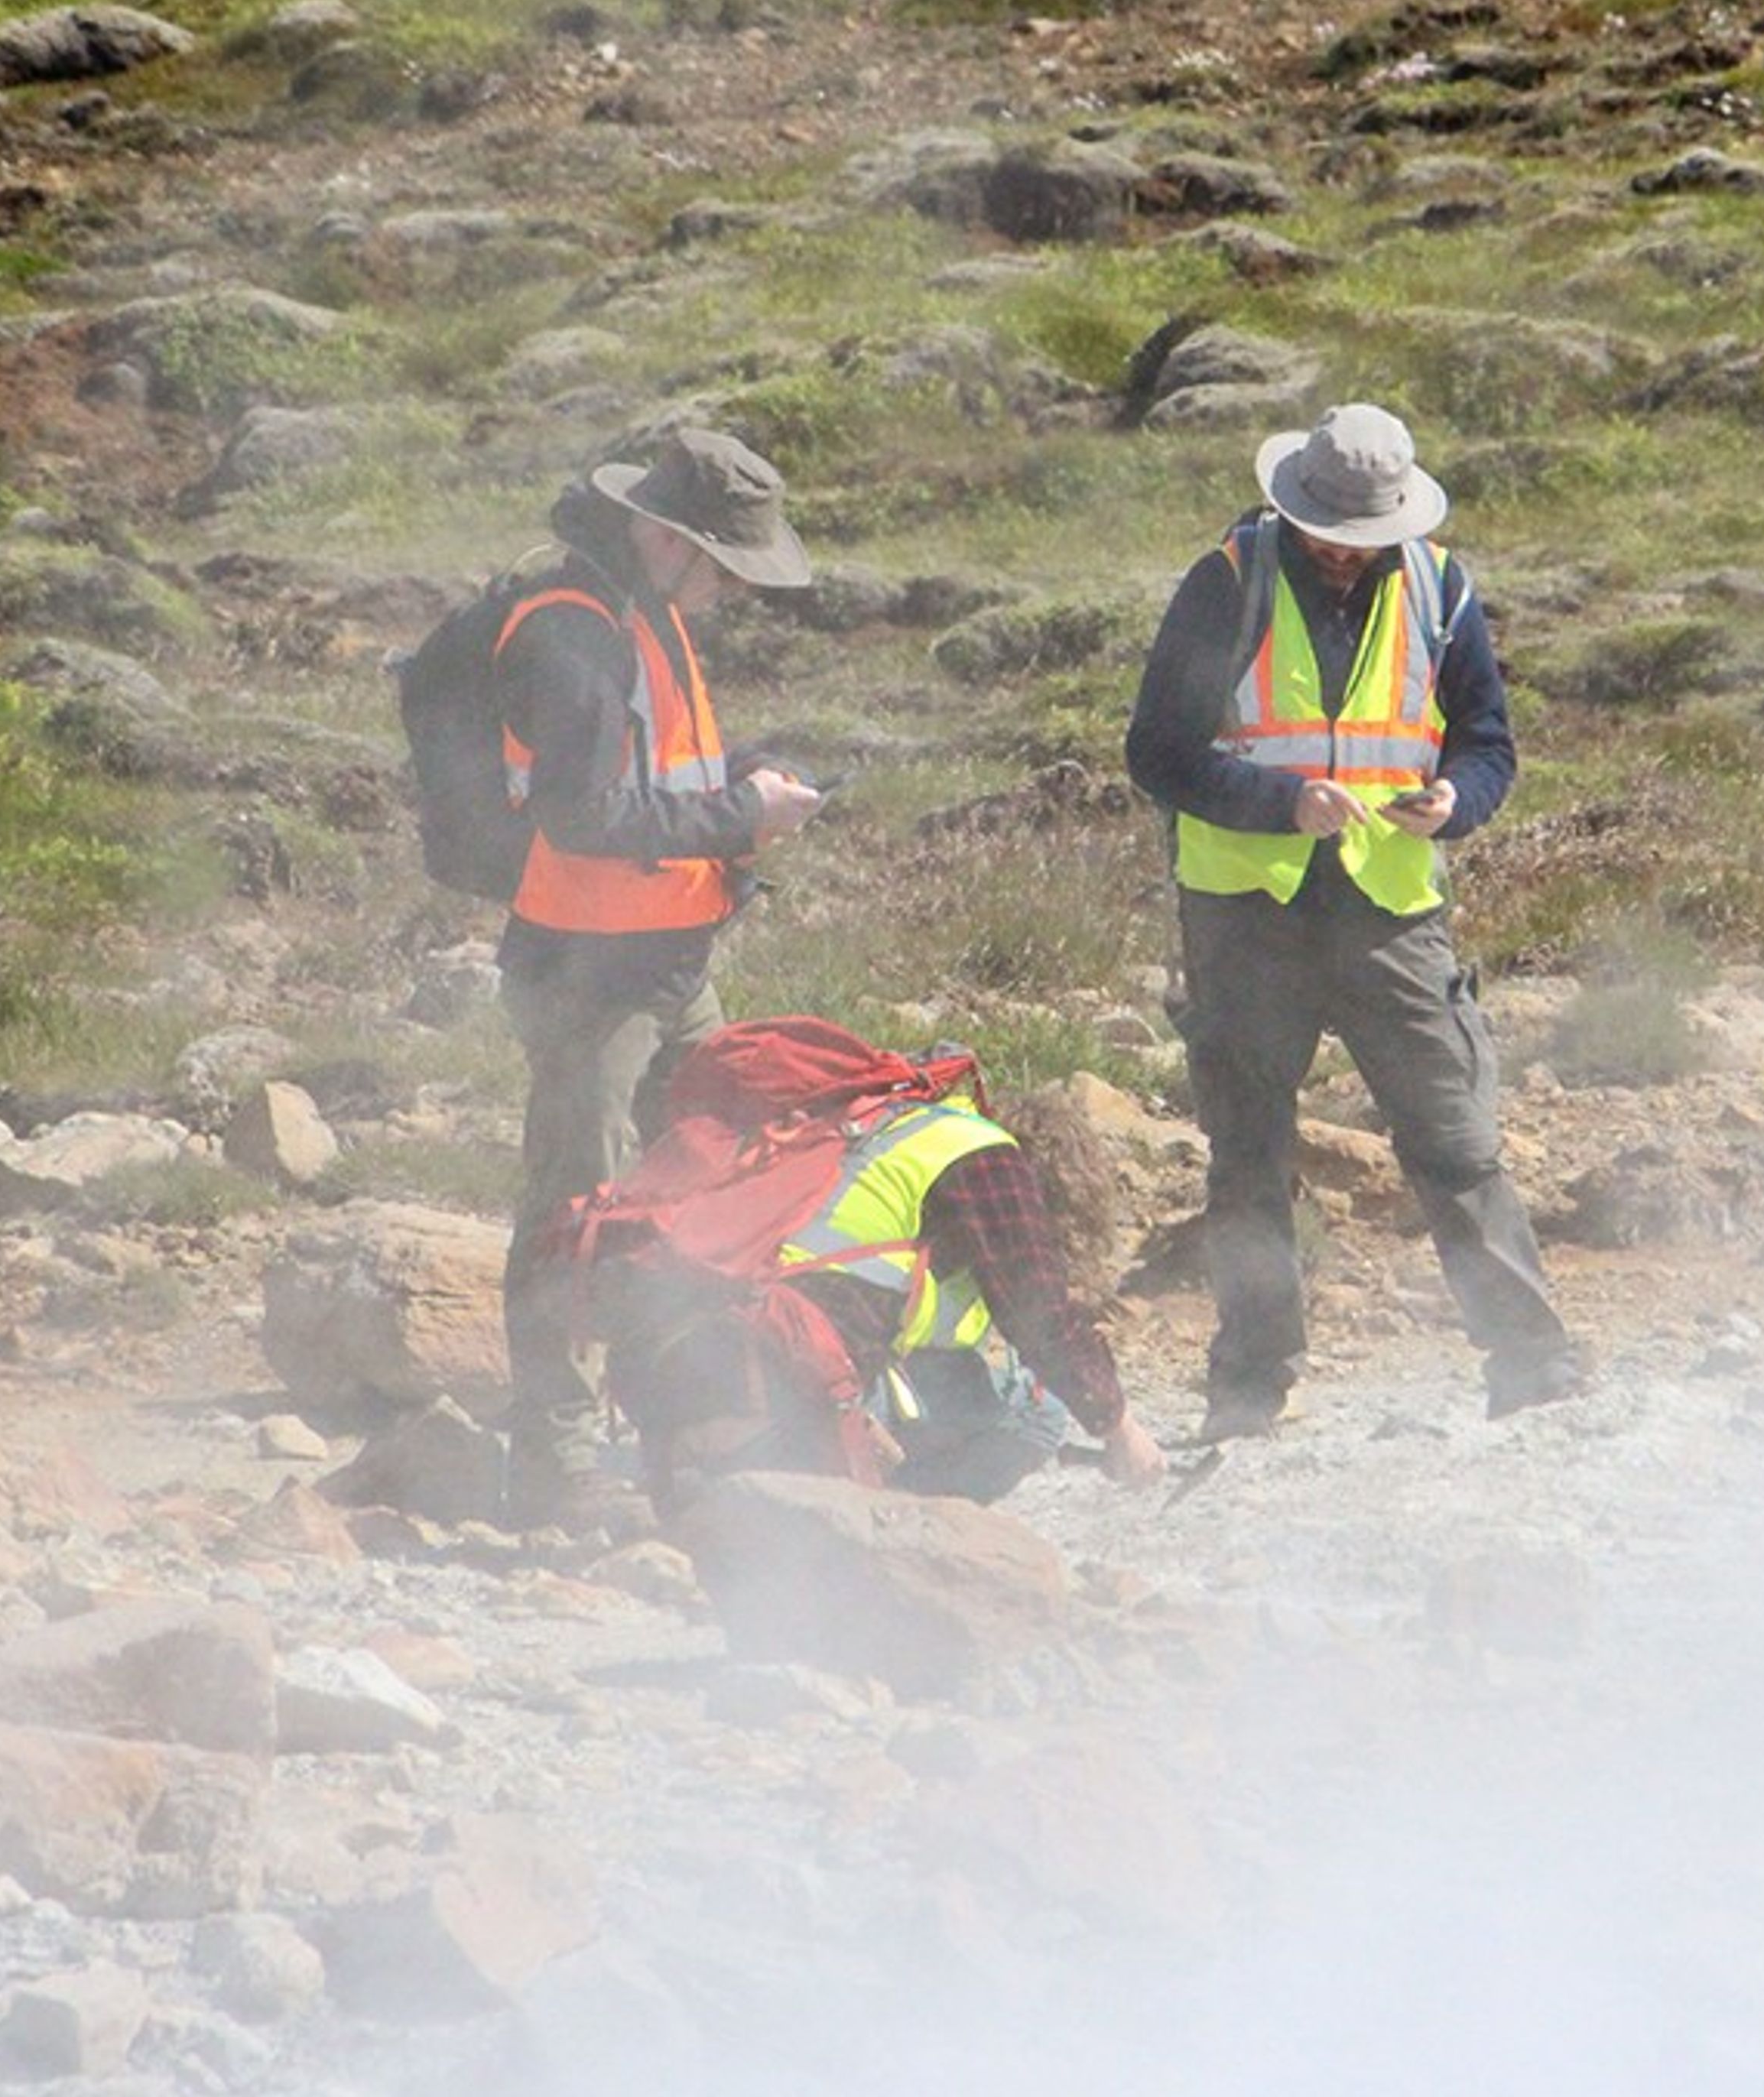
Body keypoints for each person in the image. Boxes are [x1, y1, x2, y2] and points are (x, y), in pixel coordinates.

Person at [1123, 401, 1587, 1437]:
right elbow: (1156, 751)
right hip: (1247, 912)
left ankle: (1532, 1364)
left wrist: (1455, 802)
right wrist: (1276, 805)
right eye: (1330, 535)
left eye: (1365, 537)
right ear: (1293, 510)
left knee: (1456, 1141)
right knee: (1248, 1155)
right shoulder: (1226, 582)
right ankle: (1249, 1387)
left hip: (1389, 911)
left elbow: (1487, 744)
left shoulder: (1438, 586)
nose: (1345, 554)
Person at [491, 427, 824, 1528]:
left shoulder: (650, 616)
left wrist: (741, 781)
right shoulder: (572, 635)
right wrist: (742, 814)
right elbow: (584, 816)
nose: (732, 585)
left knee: (714, 1184)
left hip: (672, 962)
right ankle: (557, 1466)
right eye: (723, 562)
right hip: (588, 979)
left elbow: (650, 781)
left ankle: (698, 1430)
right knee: (575, 1214)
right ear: (661, 537)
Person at [763, 1077, 1168, 1500]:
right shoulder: (990, 1163)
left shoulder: (907, 1130)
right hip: (813, 1375)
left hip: (761, 1341)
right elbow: (1043, 1319)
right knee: (1037, 1415)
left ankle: (897, 1514)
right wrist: (1120, 1429)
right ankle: (911, 1532)